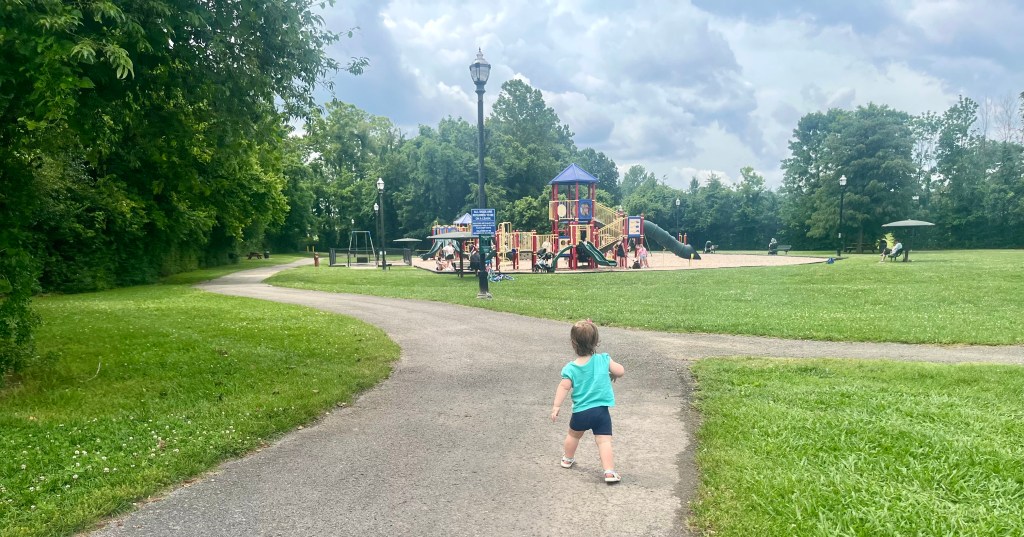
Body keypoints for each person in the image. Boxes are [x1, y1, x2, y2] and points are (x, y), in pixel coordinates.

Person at [550, 320, 626, 484]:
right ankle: (609, 472)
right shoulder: (604, 359)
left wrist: (556, 406)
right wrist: (613, 373)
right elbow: (620, 371)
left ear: (573, 343)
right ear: (596, 342)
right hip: (600, 412)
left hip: (581, 412)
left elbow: (564, 387)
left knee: (573, 435)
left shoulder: (571, 368)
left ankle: (567, 459)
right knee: (604, 441)